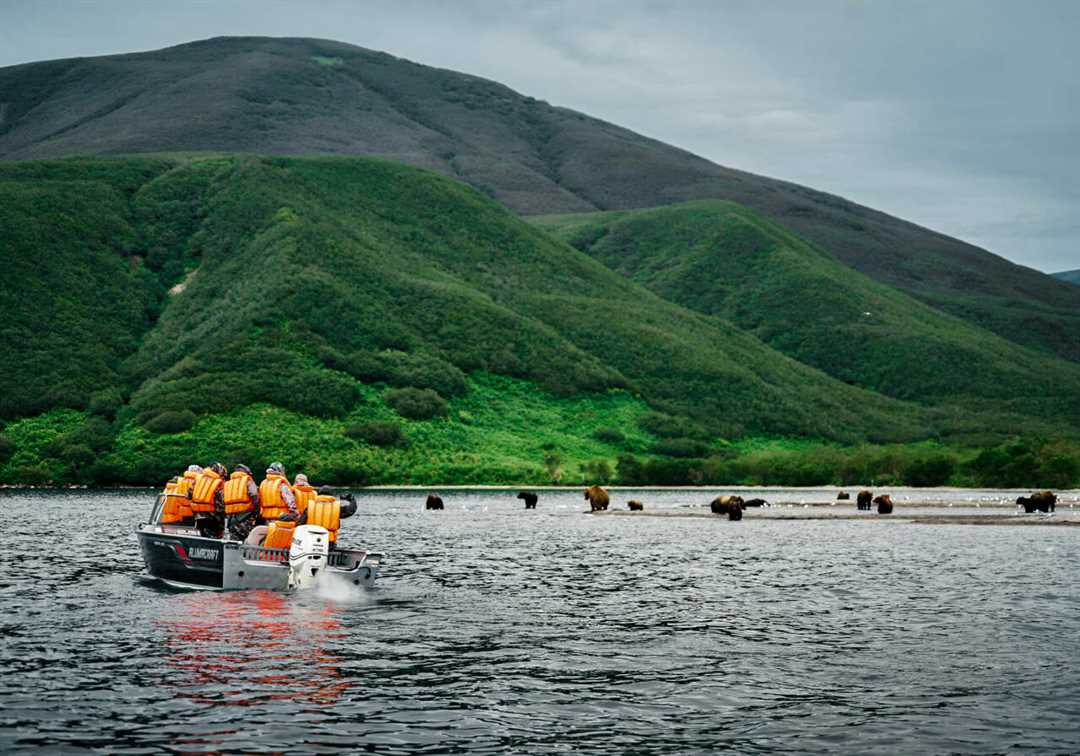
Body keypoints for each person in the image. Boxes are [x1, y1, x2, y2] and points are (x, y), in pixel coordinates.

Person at [223, 464, 260, 541]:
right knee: (246, 538)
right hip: (245, 516)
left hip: (231, 517)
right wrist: (256, 508)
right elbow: (254, 494)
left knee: (234, 539)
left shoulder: (227, 483)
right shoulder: (247, 480)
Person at [190, 462, 227, 538]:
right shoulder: (218, 482)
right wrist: (223, 517)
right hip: (211, 515)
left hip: (197, 514)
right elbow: (220, 502)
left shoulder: (198, 478)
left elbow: (189, 493)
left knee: (201, 534)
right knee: (213, 537)